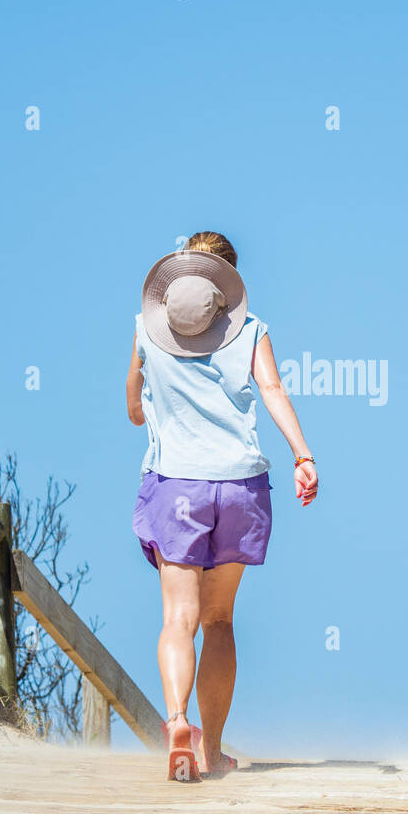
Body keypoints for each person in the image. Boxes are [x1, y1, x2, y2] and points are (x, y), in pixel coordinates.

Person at [126, 232, 318, 781]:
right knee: (220, 620)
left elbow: (135, 410)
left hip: (177, 485)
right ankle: (212, 752)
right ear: (227, 289)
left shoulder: (145, 330)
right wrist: (303, 456)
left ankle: (179, 722)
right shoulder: (252, 331)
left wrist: (147, 390)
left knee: (177, 619)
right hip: (239, 486)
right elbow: (273, 389)